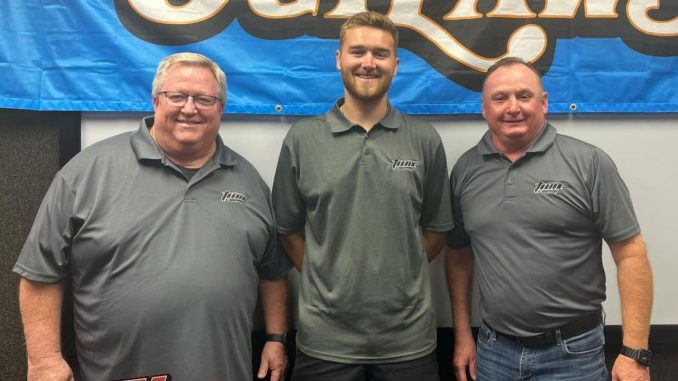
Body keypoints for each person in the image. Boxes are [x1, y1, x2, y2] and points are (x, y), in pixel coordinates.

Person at [14, 52, 292, 381]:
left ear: (221, 107)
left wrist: (276, 338)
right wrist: (45, 360)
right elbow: (39, 273)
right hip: (118, 372)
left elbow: (272, 272)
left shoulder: (249, 179)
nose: (190, 108)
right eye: (177, 96)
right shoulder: (87, 173)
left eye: (204, 98)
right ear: (156, 101)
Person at [445, 57, 653, 381]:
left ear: (544, 103)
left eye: (524, 96)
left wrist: (634, 354)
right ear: (484, 108)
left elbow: (631, 253)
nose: (512, 107)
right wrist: (462, 335)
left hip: (573, 354)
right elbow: (458, 255)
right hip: (493, 352)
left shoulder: (589, 163)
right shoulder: (465, 171)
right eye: (500, 98)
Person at [272, 11, 453, 381]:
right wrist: (330, 278)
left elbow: (437, 229)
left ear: (395, 64)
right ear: (339, 59)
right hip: (325, 343)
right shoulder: (302, 139)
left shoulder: (425, 140)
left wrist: (400, 273)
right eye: (357, 52)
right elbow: (288, 231)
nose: (368, 63)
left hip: (408, 342)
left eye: (380, 54)